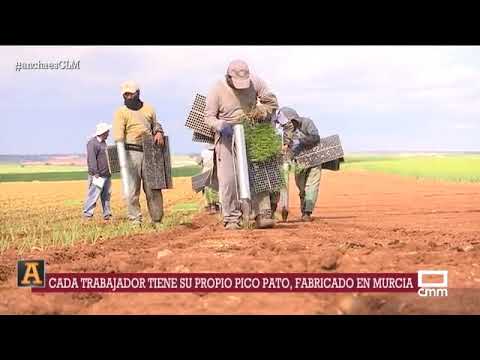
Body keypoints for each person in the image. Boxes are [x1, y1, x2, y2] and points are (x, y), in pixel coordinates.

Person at [204, 59, 279, 230]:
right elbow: (208, 117)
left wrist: (261, 112)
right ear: (228, 77)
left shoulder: (256, 82)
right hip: (227, 135)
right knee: (228, 179)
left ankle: (262, 213)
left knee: (258, 173)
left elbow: (272, 102)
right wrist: (221, 125)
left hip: (251, 131)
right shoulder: (217, 88)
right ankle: (231, 218)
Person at [112, 80, 165, 226]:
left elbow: (155, 124)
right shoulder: (121, 112)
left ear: (138, 93)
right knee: (131, 190)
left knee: (153, 189)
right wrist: (121, 157)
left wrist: (159, 131)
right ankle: (135, 221)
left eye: (131, 94)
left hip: (150, 151)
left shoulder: (149, 109)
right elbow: (118, 136)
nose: (128, 97)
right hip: (130, 152)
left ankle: (157, 221)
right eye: (126, 94)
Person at [274, 107, 322, 222]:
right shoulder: (287, 133)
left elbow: (316, 137)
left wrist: (300, 142)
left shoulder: (307, 122)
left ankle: (307, 213)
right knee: (301, 188)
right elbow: (288, 150)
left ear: (293, 119)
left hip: (314, 160)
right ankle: (304, 210)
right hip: (299, 163)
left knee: (312, 186)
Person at [83, 122, 113, 220]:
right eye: (107, 132)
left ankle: (107, 215)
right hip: (98, 175)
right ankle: (88, 215)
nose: (109, 133)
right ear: (103, 132)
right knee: (93, 195)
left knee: (106, 196)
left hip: (106, 174)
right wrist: (95, 172)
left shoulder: (103, 142)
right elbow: (91, 159)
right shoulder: (92, 143)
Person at [197, 144, 220, 214]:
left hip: (206, 172)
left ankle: (209, 205)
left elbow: (199, 162)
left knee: (207, 189)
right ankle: (215, 205)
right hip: (215, 172)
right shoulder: (217, 151)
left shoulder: (203, 152)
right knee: (215, 188)